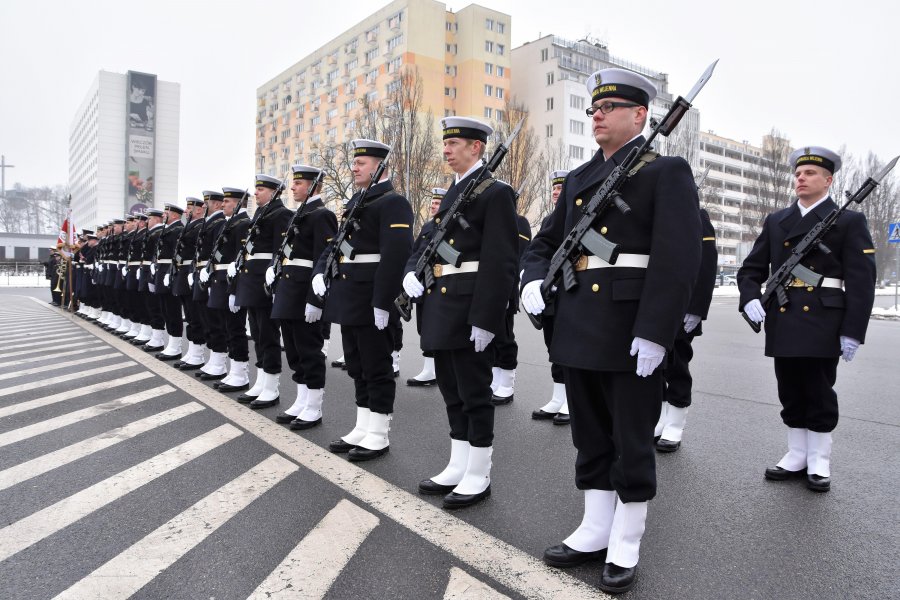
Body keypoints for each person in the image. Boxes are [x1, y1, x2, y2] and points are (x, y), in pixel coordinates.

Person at [520, 68, 701, 593]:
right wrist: (531, 281)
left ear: (640, 116)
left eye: (609, 107)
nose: (595, 115)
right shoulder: (577, 180)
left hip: (629, 328)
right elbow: (542, 244)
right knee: (590, 435)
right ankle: (594, 528)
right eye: (593, 109)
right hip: (579, 324)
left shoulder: (665, 171)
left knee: (631, 439)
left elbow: (678, 257)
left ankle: (626, 539)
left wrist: (656, 331)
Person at [737, 146, 876, 493]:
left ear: (828, 180)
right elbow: (751, 269)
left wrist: (853, 331)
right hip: (783, 316)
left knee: (818, 389)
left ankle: (819, 460)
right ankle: (797, 453)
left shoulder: (848, 221)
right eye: (798, 173)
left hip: (823, 317)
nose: (801, 178)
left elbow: (861, 281)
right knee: (789, 388)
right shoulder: (776, 221)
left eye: (810, 173)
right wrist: (750, 297)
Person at [404, 117, 518, 509]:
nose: (447, 149)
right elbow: (424, 242)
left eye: (456, 143)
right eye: (446, 143)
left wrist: (487, 318)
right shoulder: (453, 193)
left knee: (474, 392)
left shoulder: (495, 193)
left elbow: (501, 260)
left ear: (477, 148)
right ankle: (458, 463)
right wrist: (409, 274)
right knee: (452, 391)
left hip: (469, 305)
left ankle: (479, 472)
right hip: (440, 303)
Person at [312, 139, 413, 462]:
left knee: (377, 366)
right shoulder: (357, 201)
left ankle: (379, 433)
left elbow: (396, 257)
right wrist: (320, 270)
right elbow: (338, 245)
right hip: (350, 296)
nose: (354, 168)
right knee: (357, 364)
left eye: (361, 163)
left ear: (380, 167)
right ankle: (363, 425)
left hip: (372, 298)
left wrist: (383, 301)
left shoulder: (393, 203)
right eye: (354, 163)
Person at [271, 165, 337, 428]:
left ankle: (314, 406)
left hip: (304, 294)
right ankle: (301, 400)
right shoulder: (297, 215)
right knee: (294, 351)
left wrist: (316, 300)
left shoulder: (321, 215)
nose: (293, 188)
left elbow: (324, 260)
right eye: (294, 183)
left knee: (310, 350)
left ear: (313, 186)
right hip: (288, 292)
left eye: (299, 183)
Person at [654, 206, 717, 452]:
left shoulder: (697, 215)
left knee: (677, 364)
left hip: (683, 304)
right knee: (652, 367)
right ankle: (659, 418)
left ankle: (675, 424)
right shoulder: (656, 212)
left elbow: (707, 262)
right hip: (655, 303)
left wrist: (697, 307)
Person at [233, 175, 293, 408]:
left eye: (260, 189)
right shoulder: (260, 214)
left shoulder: (281, 214)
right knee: (257, 334)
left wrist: (275, 278)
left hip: (265, 282)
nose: (256, 193)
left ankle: (272, 386)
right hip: (251, 280)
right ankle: (261, 380)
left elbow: (280, 251)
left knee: (268, 335)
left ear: (274, 192)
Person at [531, 170, 571, 425]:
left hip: (571, 291)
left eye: (561, 188)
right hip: (551, 294)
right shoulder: (550, 219)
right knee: (554, 348)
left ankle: (571, 399)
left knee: (569, 349)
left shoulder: (577, 215)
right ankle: (558, 396)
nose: (556, 193)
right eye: (554, 189)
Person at [206, 188, 252, 392]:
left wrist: (234, 291)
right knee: (225, 327)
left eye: (227, 201)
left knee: (235, 329)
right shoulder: (229, 223)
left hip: (232, 282)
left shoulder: (243, 224)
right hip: (221, 280)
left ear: (238, 203)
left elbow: (240, 260)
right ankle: (233, 370)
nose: (223, 205)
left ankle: (240, 373)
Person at [489, 209, 532, 406]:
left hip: (505, 287)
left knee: (504, 337)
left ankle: (506, 384)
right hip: (487, 289)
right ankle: (495, 381)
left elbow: (518, 258)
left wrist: (506, 290)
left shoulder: (519, 222)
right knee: (489, 339)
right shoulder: (491, 220)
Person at [406, 187, 446, 387]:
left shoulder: (447, 225)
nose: (433, 206)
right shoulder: (428, 226)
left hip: (439, 282)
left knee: (438, 329)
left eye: (438, 203)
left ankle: (440, 369)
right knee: (424, 326)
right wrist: (410, 272)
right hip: (422, 282)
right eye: (432, 203)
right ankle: (429, 369)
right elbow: (416, 251)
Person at [193, 191, 228, 381]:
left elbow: (219, 251)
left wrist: (210, 270)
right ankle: (213, 359)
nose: (203, 208)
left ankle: (219, 361)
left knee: (214, 320)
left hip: (213, 273)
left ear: (216, 205)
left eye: (207, 204)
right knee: (205, 318)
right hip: (203, 272)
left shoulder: (220, 223)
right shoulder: (208, 223)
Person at [172, 198, 207, 370]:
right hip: (183, 271)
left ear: (200, 210)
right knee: (189, 315)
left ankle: (198, 353)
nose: (186, 211)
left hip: (191, 270)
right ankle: (193, 351)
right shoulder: (189, 226)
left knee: (195, 315)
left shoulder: (201, 226)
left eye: (189, 207)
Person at [154, 203, 186, 360]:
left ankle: (176, 345)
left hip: (170, 271)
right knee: (164, 308)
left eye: (166, 212)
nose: (164, 215)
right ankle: (171, 343)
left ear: (175, 215)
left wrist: (170, 272)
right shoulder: (167, 229)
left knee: (172, 310)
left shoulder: (178, 229)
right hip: (162, 270)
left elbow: (176, 253)